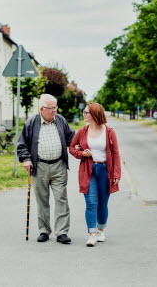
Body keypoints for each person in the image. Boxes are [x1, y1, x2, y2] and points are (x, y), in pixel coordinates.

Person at [16, 94, 76, 244]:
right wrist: (26, 159)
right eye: (51, 108)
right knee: (42, 200)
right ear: (42, 109)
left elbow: (71, 137)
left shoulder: (60, 120)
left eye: (55, 107)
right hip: (39, 166)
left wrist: (81, 143)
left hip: (59, 165)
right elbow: (22, 144)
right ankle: (44, 230)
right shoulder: (31, 123)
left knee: (61, 198)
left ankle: (62, 232)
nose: (54, 111)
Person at [69, 102, 121, 247]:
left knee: (102, 204)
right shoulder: (82, 131)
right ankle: (92, 234)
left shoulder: (109, 132)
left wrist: (116, 173)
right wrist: (82, 153)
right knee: (91, 203)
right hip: (89, 170)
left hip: (105, 170)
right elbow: (72, 148)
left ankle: (100, 230)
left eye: (87, 113)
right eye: (84, 112)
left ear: (95, 114)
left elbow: (116, 154)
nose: (84, 114)